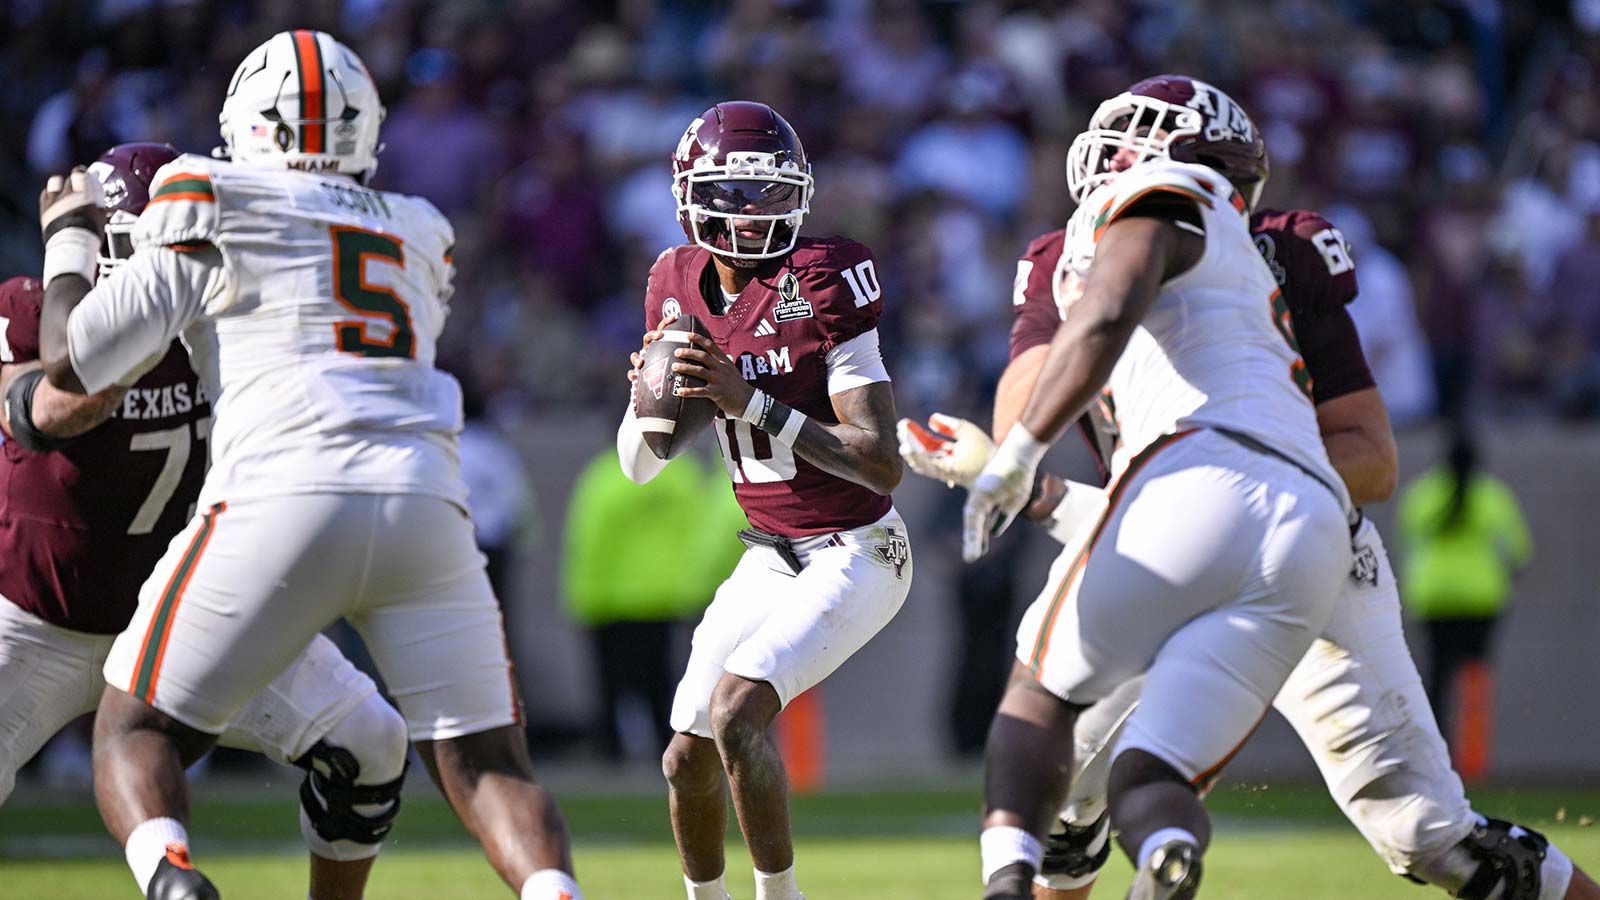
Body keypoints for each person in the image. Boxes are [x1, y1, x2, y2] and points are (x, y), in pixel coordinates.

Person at [902, 74, 1596, 900]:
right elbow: (1027, 403)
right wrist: (1023, 459)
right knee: (1069, 807)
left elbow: (1370, 460)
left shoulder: (1278, 243)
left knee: (1431, 838)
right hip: (1159, 515)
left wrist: (1231, 479)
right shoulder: (1063, 253)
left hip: (1271, 525)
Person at [32, 30, 577, 900]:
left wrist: (67, 242)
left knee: (136, 729)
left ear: (245, 125)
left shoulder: (207, 193)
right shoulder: (420, 230)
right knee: (487, 764)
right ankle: (555, 892)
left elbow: (69, 361)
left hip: (280, 490)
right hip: (426, 502)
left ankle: (171, 880)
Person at [957, 74, 1356, 900]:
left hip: (1196, 475)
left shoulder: (1163, 190)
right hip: (1311, 522)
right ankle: (1168, 848)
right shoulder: (1242, 249)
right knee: (1150, 773)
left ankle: (1004, 887)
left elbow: (1103, 317)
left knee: (1039, 696)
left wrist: (1015, 457)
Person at [0, 143, 409, 900]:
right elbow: (48, 412)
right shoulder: (29, 308)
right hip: (31, 618)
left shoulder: (244, 331)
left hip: (182, 615)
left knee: (372, 739)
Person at [617, 101, 911, 900]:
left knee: (738, 713)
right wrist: (649, 401)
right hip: (769, 555)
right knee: (686, 757)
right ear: (688, 196)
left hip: (857, 549)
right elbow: (641, 467)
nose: (754, 215)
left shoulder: (824, 277)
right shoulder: (674, 280)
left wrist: (748, 401)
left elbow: (880, 463)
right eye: (734, 195)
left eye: (773, 194)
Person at [562, 448, 745, 761]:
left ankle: (613, 755)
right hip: (666, 596)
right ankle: (672, 749)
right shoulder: (684, 476)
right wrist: (691, 588)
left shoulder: (604, 476)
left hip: (613, 599)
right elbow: (701, 534)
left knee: (612, 685)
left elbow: (589, 540)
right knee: (664, 682)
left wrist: (583, 600)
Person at [1399, 429, 1532, 772]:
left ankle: (1433, 761)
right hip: (1480, 600)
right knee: (1474, 681)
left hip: (1434, 599)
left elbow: (1408, 538)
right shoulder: (1493, 496)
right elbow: (1519, 553)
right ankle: (1473, 762)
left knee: (1436, 683)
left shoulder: (1423, 494)